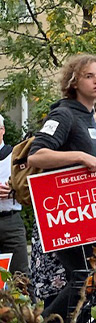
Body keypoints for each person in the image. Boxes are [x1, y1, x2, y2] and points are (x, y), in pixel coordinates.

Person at [28, 54, 96, 319]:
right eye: (89, 76)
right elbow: (36, 155)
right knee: (85, 279)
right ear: (74, 82)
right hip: (63, 215)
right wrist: (81, 157)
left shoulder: (90, 117)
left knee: (90, 279)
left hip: (85, 214)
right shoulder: (64, 113)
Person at [0, 114, 29, 276]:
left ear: (2, 130)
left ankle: (26, 301)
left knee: (20, 274)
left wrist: (14, 190)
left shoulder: (15, 157)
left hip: (11, 221)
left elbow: (29, 186)